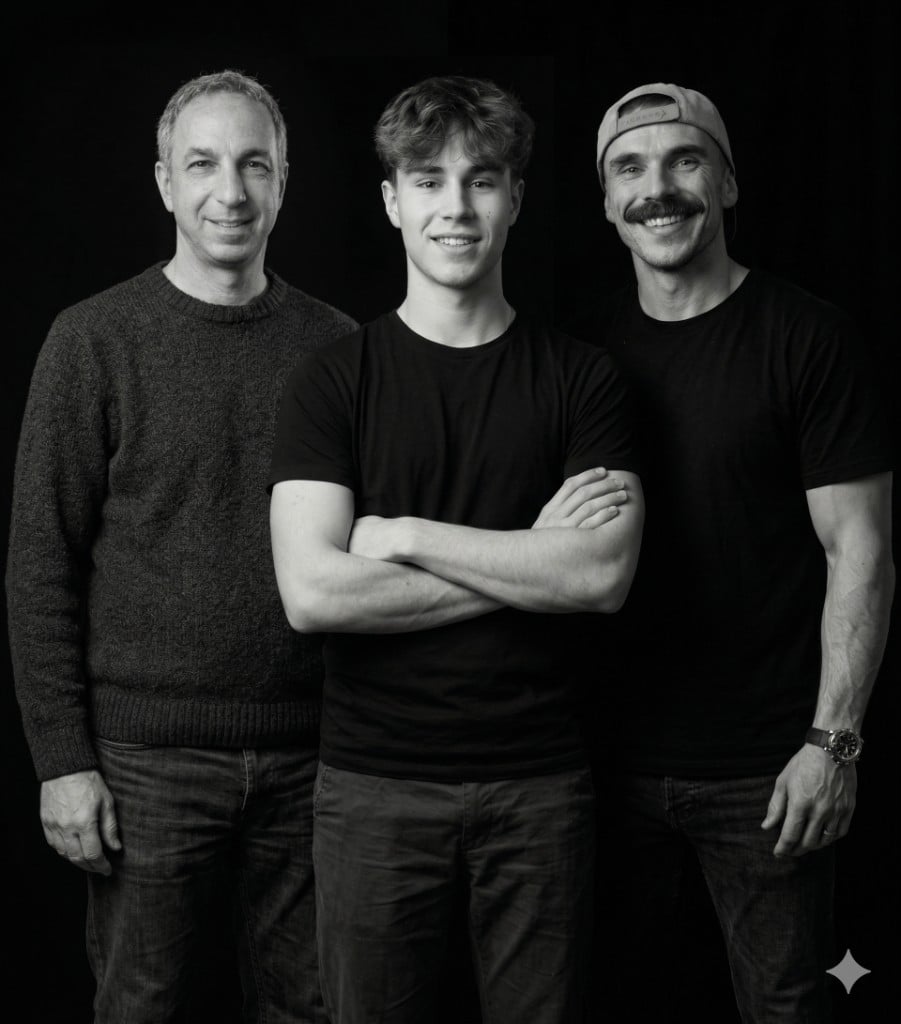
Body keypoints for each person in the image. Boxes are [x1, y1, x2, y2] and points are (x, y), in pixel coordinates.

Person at [267, 74, 644, 1024]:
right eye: (428, 181)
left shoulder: (583, 380)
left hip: (540, 790)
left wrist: (406, 539)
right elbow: (313, 594)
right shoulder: (332, 380)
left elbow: (600, 577)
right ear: (392, 202)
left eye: (481, 181)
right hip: (373, 790)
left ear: (515, 198)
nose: (456, 207)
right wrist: (530, 561)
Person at [6, 69, 356, 1023]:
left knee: (316, 1009)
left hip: (314, 759)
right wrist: (61, 761)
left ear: (286, 182)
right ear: (163, 181)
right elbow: (41, 565)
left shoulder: (338, 347)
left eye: (255, 165)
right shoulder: (93, 340)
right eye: (202, 164)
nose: (230, 192)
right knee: (141, 1009)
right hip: (142, 761)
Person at [588, 82, 895, 1021]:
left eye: (684, 160)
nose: (658, 188)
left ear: (726, 181)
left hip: (769, 778)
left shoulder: (807, 338)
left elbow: (862, 552)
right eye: (629, 169)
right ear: (605, 204)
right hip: (603, 770)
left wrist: (831, 743)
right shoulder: (579, 354)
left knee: (785, 1007)